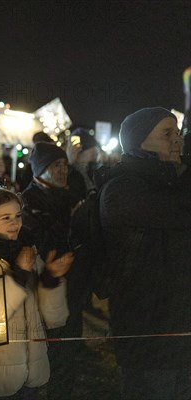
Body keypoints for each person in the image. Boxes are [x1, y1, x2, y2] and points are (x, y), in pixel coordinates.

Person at [99, 107, 191, 399]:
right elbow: (178, 211)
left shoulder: (172, 181)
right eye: (167, 133)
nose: (178, 139)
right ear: (139, 141)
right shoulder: (121, 188)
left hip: (181, 324)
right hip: (149, 329)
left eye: (178, 131)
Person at [0, 185, 71, 400]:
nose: (15, 223)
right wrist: (20, 275)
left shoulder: (27, 250)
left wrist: (50, 279)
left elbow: (54, 318)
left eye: (17, 215)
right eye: (5, 218)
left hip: (32, 368)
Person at [21, 142, 81, 399]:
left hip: (73, 287)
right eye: (56, 165)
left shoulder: (69, 198)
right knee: (39, 358)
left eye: (65, 165)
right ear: (40, 169)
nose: (62, 171)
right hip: (42, 290)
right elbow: (43, 245)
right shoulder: (26, 202)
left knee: (67, 357)